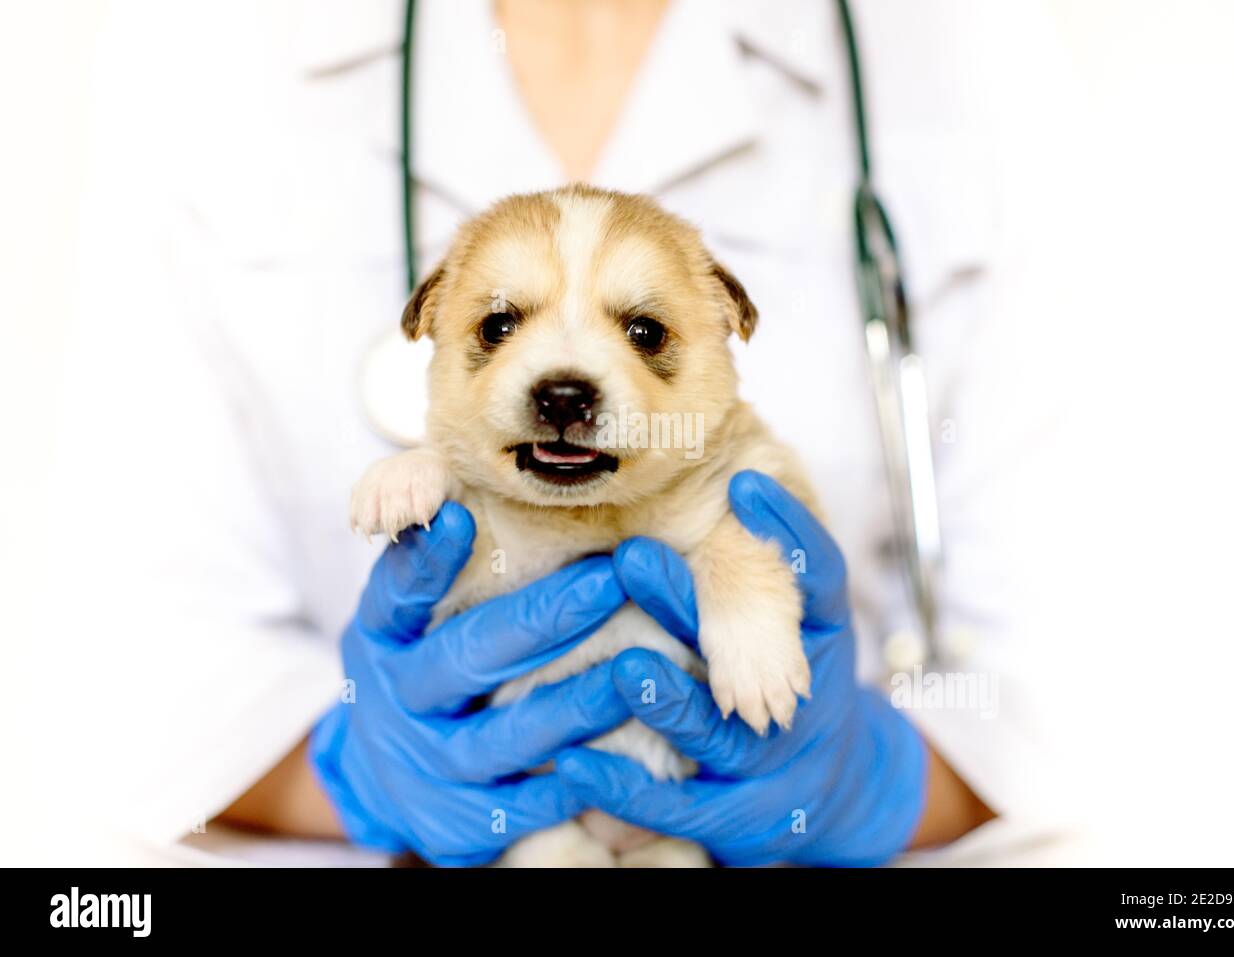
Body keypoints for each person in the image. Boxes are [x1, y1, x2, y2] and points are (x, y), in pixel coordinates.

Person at [60, 0, 1066, 864]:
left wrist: (865, 784)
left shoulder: (961, 46)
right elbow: (144, 670)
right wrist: (365, 768)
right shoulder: (216, 46)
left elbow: (1070, 686)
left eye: (643, 331)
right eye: (498, 326)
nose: (566, 385)